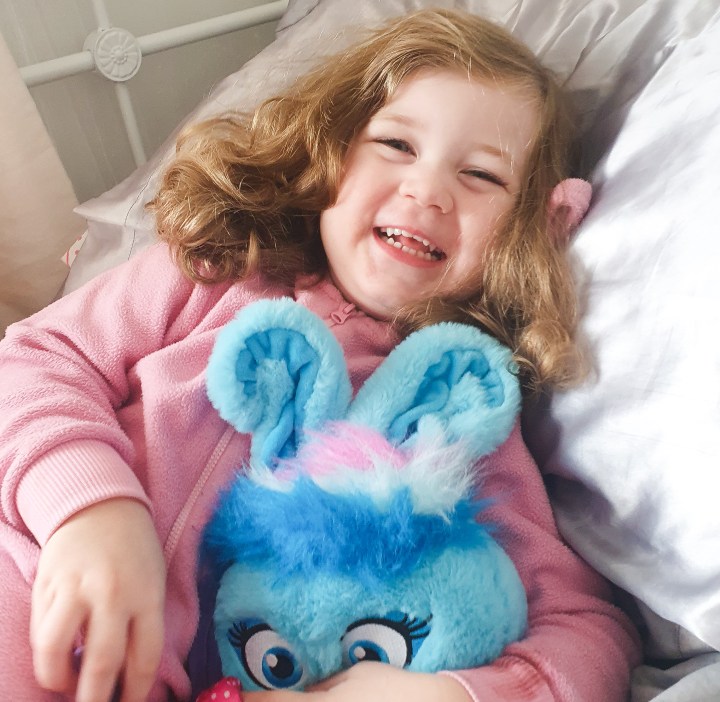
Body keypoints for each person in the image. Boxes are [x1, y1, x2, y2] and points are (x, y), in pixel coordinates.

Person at [0, 8, 641, 702]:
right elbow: (37, 359)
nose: (427, 190)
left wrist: (453, 693)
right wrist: (89, 508)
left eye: (482, 175)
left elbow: (589, 630)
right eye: (396, 144)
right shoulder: (214, 268)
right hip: (31, 571)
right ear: (331, 150)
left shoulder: (459, 409)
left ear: (534, 227)